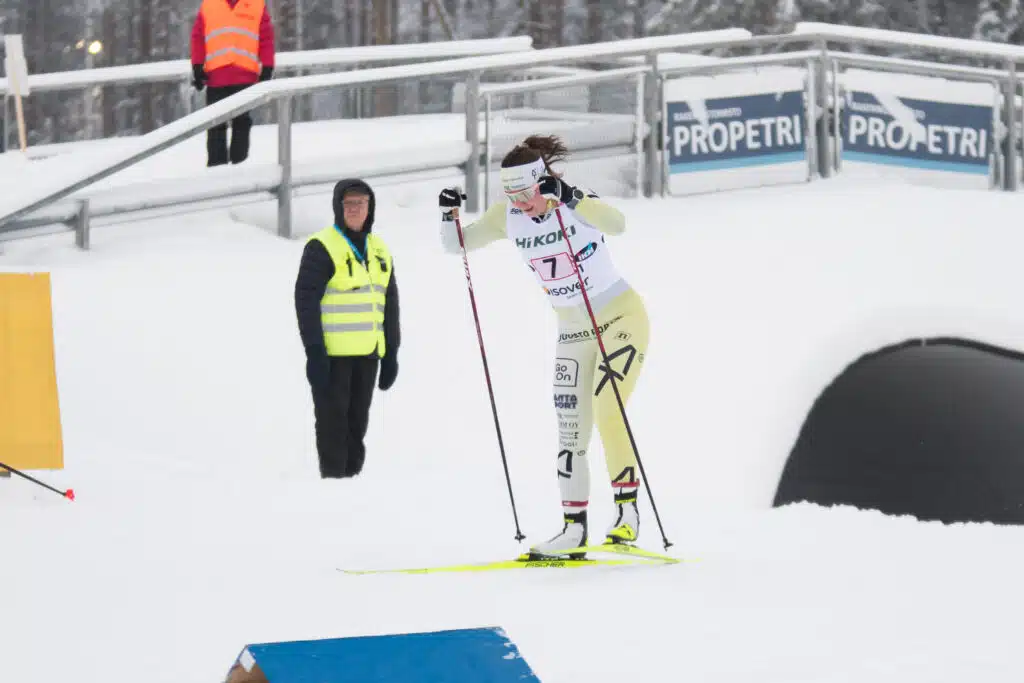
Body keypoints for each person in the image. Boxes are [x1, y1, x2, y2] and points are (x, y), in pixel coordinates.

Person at [437, 134, 650, 557]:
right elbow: (456, 244)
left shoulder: (576, 201)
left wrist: (570, 198)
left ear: (542, 182)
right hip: (572, 330)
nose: (519, 203)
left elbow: (618, 224)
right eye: (509, 194)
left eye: (525, 193)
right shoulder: (508, 217)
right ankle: (574, 529)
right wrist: (449, 214)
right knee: (571, 429)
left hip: (619, 317)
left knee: (608, 408)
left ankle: (628, 515)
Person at [295, 179, 401, 479]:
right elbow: (305, 301)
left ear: (371, 208)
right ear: (338, 207)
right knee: (332, 427)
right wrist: (314, 351)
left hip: (367, 356)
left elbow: (389, 304)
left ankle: (353, 487)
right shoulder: (322, 247)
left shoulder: (379, 249)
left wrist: (391, 351)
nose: (355, 209)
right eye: (349, 204)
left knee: (357, 426)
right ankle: (333, 487)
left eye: (361, 204)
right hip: (332, 359)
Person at [190, 0, 276, 167]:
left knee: (241, 124)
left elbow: (266, 37)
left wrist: (267, 66)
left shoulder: (256, 4)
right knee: (216, 125)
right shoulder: (210, 4)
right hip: (216, 77)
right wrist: (197, 66)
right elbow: (198, 37)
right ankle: (217, 172)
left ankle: (239, 169)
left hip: (244, 77)